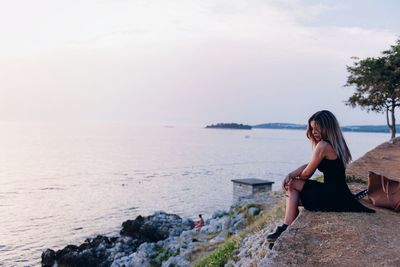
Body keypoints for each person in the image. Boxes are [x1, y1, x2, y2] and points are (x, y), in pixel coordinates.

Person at [267, 110, 374, 243]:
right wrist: (292, 174)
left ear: (327, 127)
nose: (314, 132)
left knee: (293, 185)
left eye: (317, 128)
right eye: (312, 128)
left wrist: (293, 178)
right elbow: (311, 164)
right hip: (340, 194)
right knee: (294, 192)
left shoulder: (323, 146)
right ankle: (287, 228)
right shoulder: (336, 144)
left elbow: (306, 174)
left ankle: (285, 228)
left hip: (332, 196)